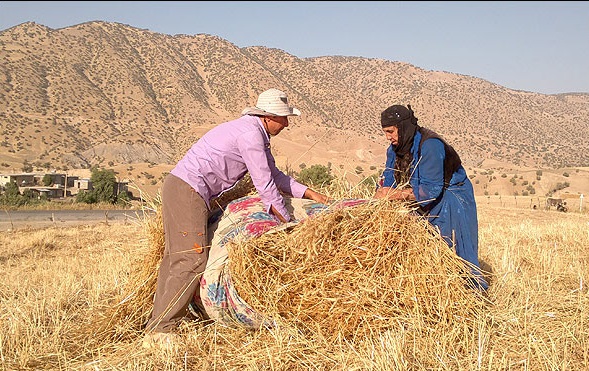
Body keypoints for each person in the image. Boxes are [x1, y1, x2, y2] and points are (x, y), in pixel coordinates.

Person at [143, 88, 330, 347]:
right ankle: (162, 330)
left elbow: (274, 175)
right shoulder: (250, 135)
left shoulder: (254, 133)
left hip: (180, 186)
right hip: (189, 191)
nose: (287, 123)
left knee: (177, 257)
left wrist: (310, 193)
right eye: (283, 118)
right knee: (192, 258)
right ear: (267, 116)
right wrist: (288, 224)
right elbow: (265, 186)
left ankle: (157, 324)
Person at [374, 104, 489, 291]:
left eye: (391, 131)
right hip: (419, 199)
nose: (388, 137)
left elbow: (431, 189)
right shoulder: (393, 150)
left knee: (457, 250)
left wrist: (395, 195)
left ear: (403, 127)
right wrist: (381, 195)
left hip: (451, 199)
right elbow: (389, 180)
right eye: (385, 132)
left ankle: (473, 297)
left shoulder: (430, 145)